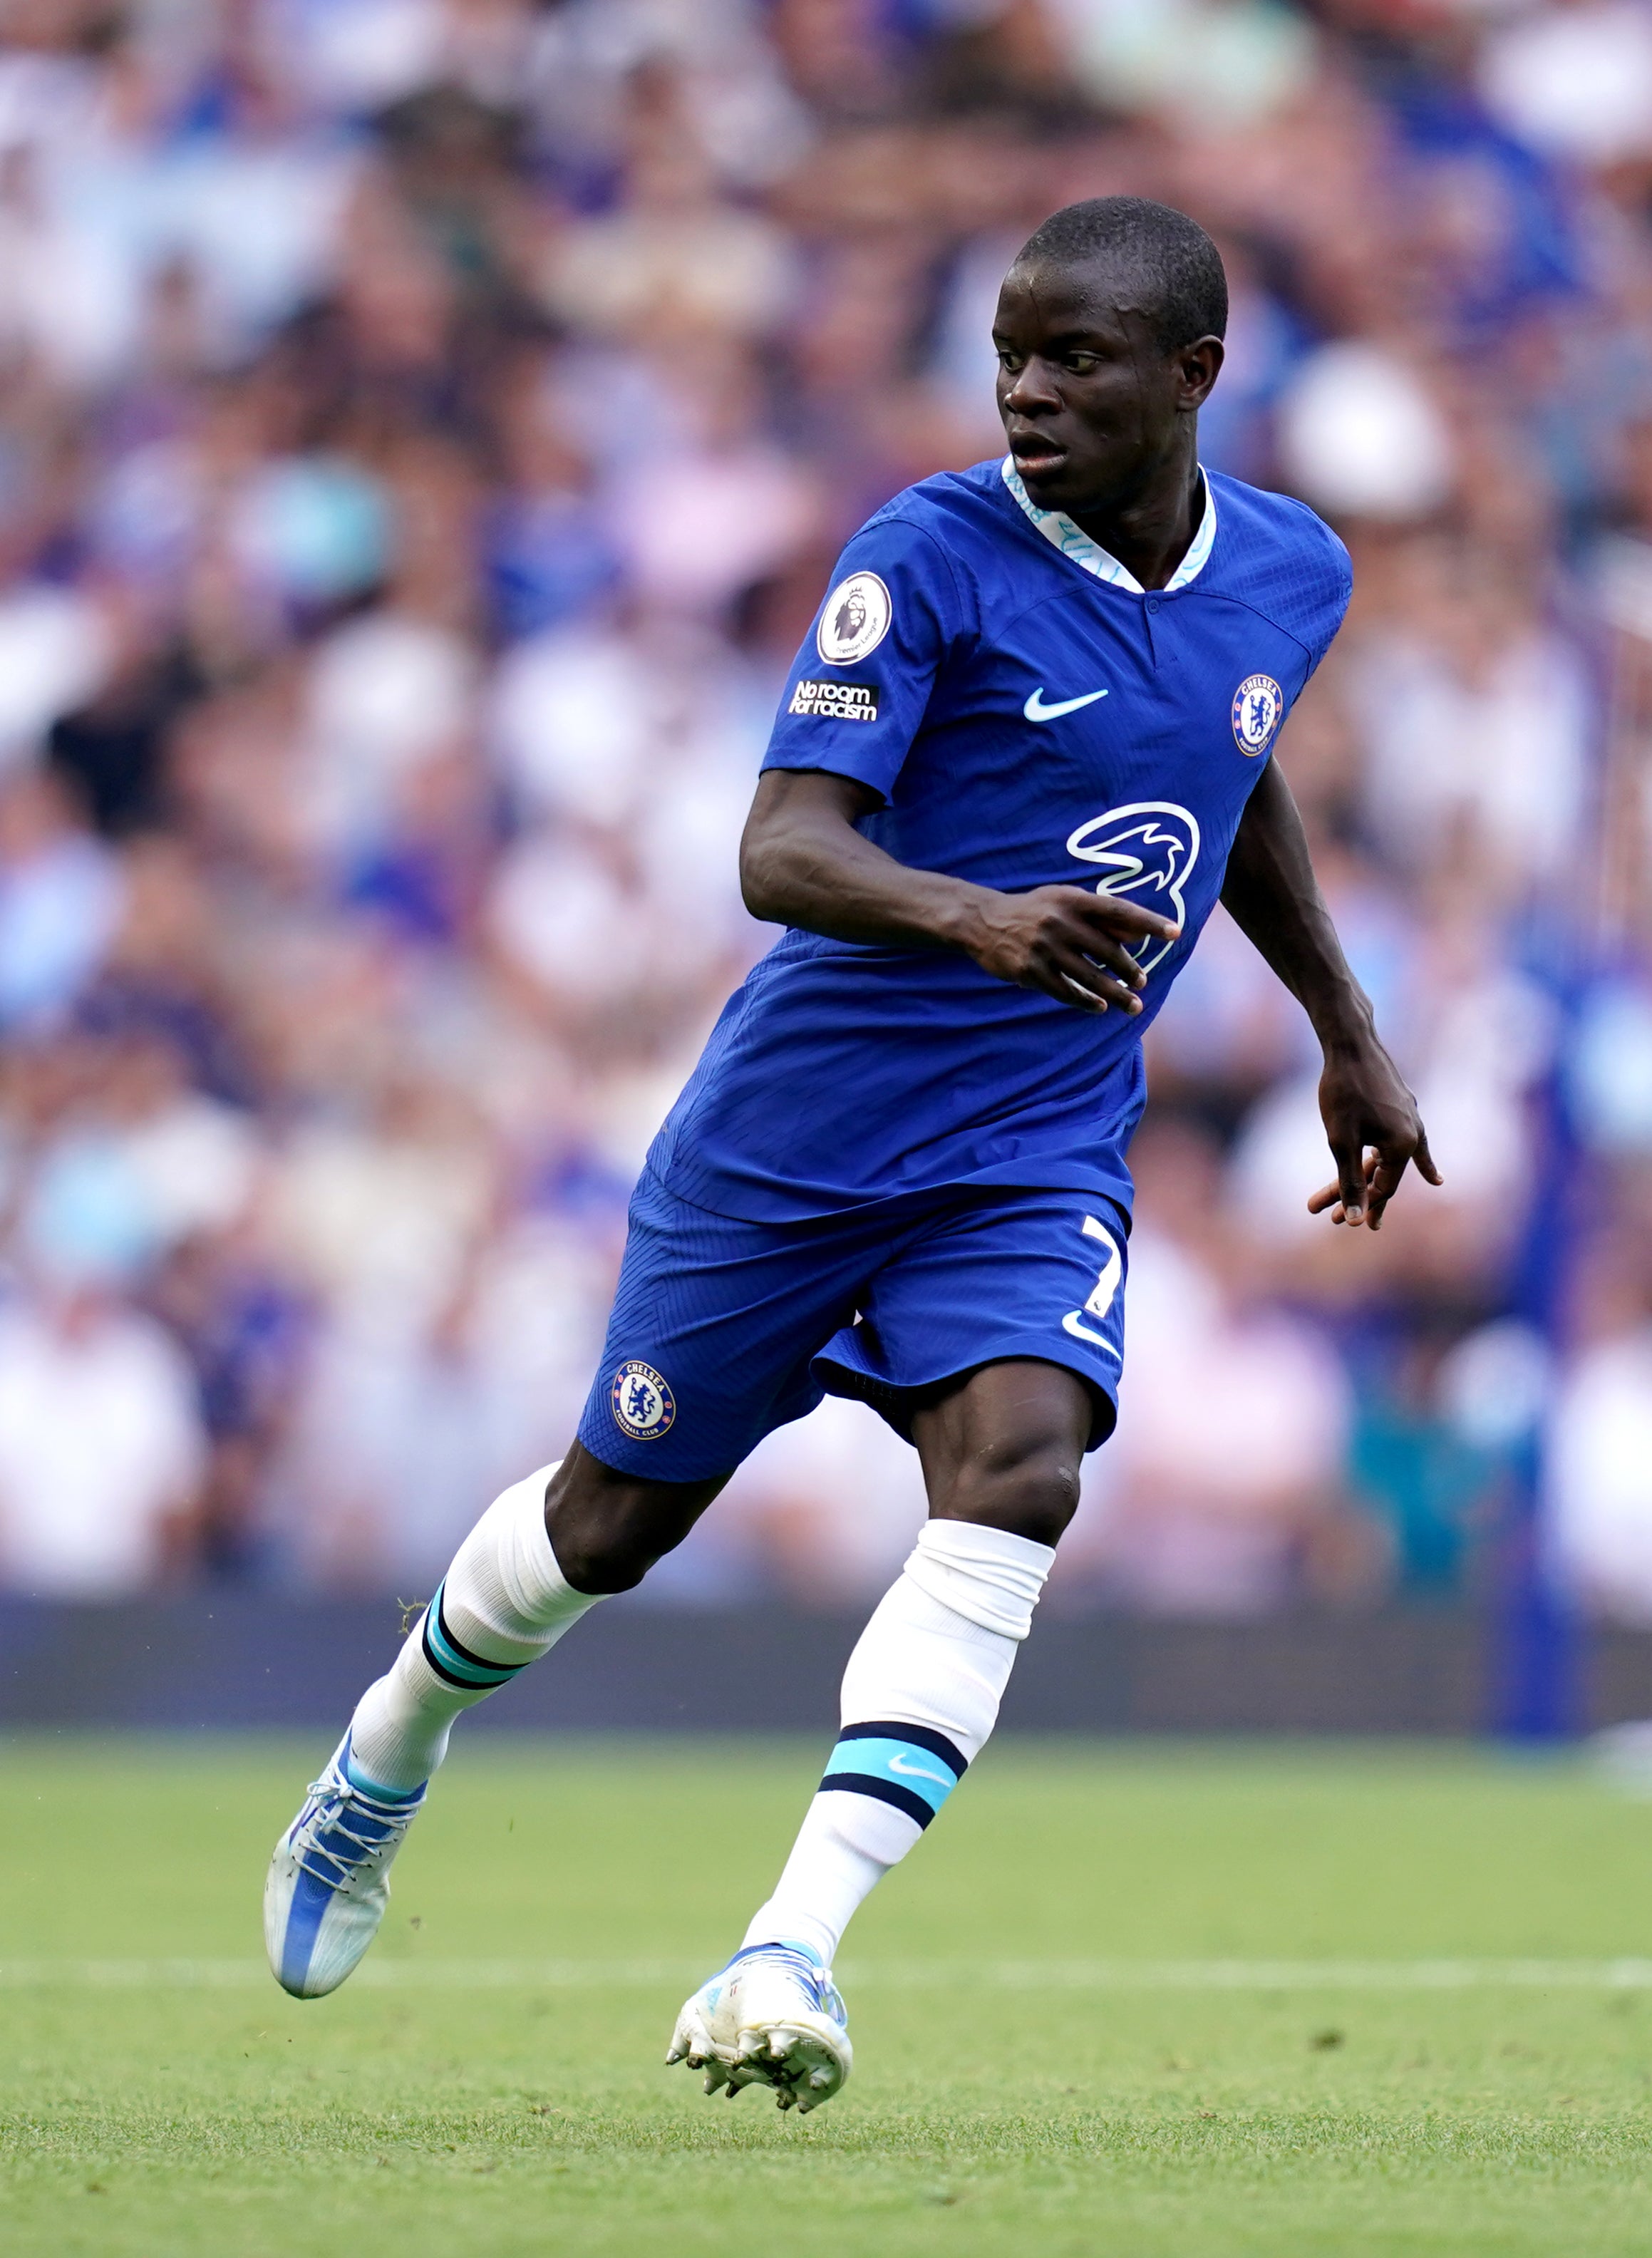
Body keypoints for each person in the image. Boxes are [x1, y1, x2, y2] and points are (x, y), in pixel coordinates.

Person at [264, 197, 1438, 2110]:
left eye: (1076, 359)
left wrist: (1350, 1031)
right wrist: (981, 918)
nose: (1027, 391)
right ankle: (386, 1749)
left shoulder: (1291, 571)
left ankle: (787, 1946)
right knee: (607, 1532)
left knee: (1026, 1466)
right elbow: (780, 848)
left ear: (1195, 377)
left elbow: (1234, 774)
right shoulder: (931, 549)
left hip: (1035, 1138)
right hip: (802, 1138)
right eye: (1011, 353)